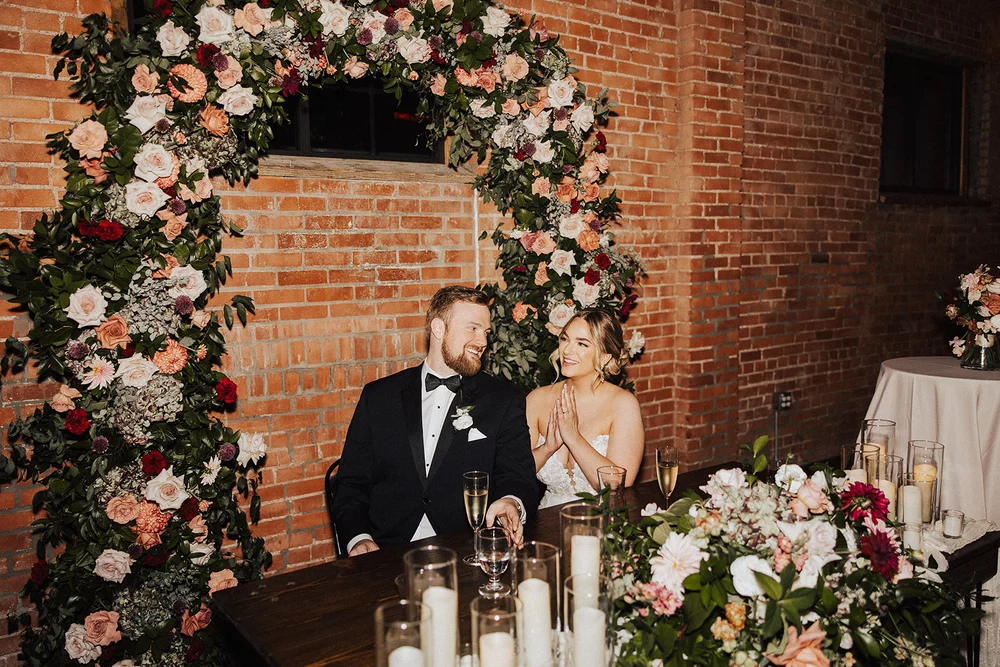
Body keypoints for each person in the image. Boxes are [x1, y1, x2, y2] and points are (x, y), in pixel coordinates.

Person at [333, 286, 539, 557]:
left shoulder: (503, 400)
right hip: (386, 553)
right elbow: (350, 483)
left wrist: (511, 501)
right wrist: (359, 538)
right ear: (439, 328)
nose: (483, 341)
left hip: (467, 551)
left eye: (486, 332)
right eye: (473, 329)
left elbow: (518, 476)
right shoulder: (379, 397)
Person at [527, 309, 644, 508]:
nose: (567, 350)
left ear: (605, 356)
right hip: (546, 523)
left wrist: (573, 438)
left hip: (603, 522)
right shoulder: (537, 399)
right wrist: (547, 449)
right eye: (565, 339)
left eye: (582, 343)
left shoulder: (623, 404)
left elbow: (616, 485)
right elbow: (514, 473)